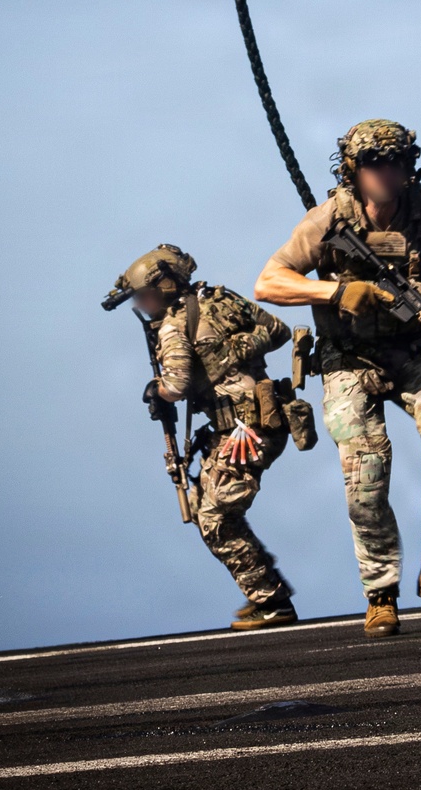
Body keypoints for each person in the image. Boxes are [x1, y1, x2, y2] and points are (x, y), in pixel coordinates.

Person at [253, 121, 421, 638]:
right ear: (353, 170)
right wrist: (336, 294)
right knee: (366, 469)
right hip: (347, 355)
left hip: (411, 351)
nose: (385, 172)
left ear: (409, 167)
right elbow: (268, 281)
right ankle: (381, 592)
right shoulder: (329, 219)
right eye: (374, 163)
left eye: (395, 162)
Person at [107, 242, 300, 631]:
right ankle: (264, 586)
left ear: (163, 287)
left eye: (144, 296)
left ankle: (271, 601)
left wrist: (155, 390)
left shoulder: (175, 326)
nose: (141, 305)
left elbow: (176, 384)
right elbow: (275, 330)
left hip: (246, 430)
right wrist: (236, 350)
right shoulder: (220, 298)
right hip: (256, 422)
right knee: (203, 506)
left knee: (213, 517)